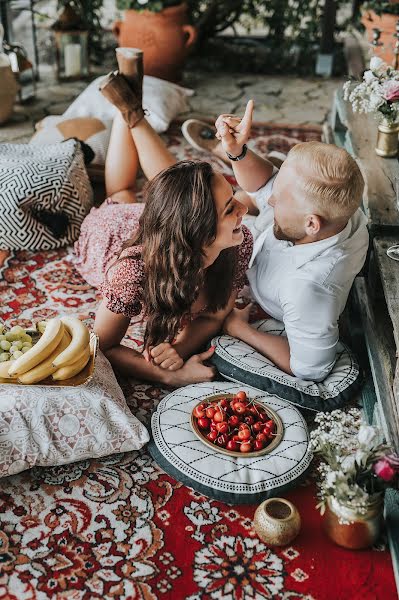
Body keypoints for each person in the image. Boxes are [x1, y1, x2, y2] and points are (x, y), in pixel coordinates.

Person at [74, 49, 253, 386]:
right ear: (198, 233)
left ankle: (129, 107)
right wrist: (170, 377)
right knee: (119, 195)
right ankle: (128, 109)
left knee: (152, 192)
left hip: (157, 222)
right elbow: (102, 344)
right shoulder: (129, 273)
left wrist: (180, 349)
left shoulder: (239, 243)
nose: (243, 209)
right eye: (231, 208)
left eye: (233, 201)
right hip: (110, 233)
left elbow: (215, 313)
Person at [211, 100, 369, 382]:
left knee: (189, 218)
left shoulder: (306, 289)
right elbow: (264, 184)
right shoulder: (336, 207)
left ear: (311, 223)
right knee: (204, 200)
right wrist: (238, 152)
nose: (270, 199)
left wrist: (242, 331)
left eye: (280, 199)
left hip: (246, 273)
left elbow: (310, 368)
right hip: (255, 236)